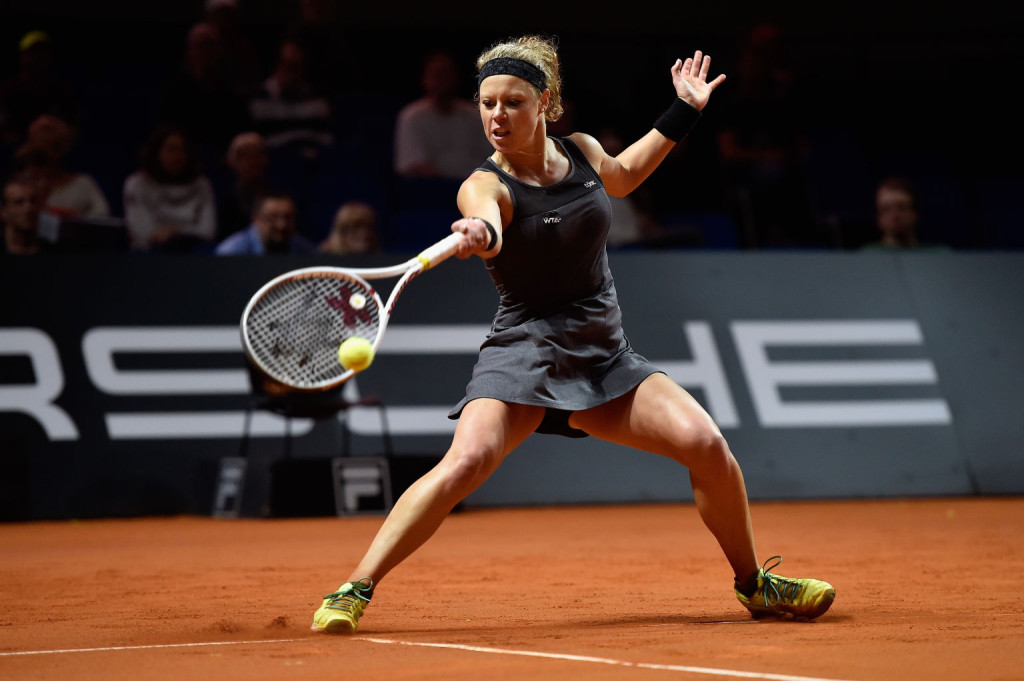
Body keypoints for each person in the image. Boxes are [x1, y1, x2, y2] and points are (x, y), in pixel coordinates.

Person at [311, 35, 835, 634]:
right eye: (486, 104)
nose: (496, 116)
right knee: (468, 461)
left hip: (604, 354)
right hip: (526, 350)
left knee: (707, 445)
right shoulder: (484, 186)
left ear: (546, 104)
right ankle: (355, 587)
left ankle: (754, 586)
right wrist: (480, 232)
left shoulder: (582, 150)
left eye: (512, 102)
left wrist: (683, 110)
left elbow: (624, 176)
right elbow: (486, 219)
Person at [393, 50, 493, 180]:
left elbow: (492, 159)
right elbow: (413, 164)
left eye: (448, 73)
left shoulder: (476, 115)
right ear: (425, 78)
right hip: (432, 191)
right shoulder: (412, 116)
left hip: (477, 188)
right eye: (438, 74)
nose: (443, 80)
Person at [122, 125, 217, 252]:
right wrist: (159, 237)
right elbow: (141, 231)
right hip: (149, 256)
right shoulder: (137, 184)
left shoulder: (202, 185)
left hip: (193, 254)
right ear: (156, 152)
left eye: (182, 150)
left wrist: (176, 234)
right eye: (171, 150)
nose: (178, 156)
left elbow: (207, 231)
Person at [248, 39, 334, 160]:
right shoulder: (260, 99)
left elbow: (326, 141)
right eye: (286, 64)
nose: (290, 72)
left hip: (312, 165)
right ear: (277, 65)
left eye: (295, 66)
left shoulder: (317, 100)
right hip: (275, 166)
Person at [21, 115, 110, 219]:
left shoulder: (83, 185)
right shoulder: (19, 188)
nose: (47, 153)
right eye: (39, 148)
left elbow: (101, 220)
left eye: (53, 146)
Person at [860, 177, 950, 251]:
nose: (895, 215)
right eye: (886, 209)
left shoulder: (939, 255)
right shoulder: (866, 256)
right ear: (878, 217)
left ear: (915, 213)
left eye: (901, 207)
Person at [215, 189, 314, 254]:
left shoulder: (305, 250)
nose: (282, 225)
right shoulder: (230, 252)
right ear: (255, 218)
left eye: (288, 217)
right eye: (272, 217)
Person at [217, 131, 270, 241]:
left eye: (257, 155)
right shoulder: (226, 202)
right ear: (233, 162)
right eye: (245, 156)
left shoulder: (278, 198)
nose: (252, 162)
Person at [1, 175, 49, 255]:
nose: (28, 209)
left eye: (33, 201)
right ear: (3, 211)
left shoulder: (61, 251)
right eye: (18, 202)